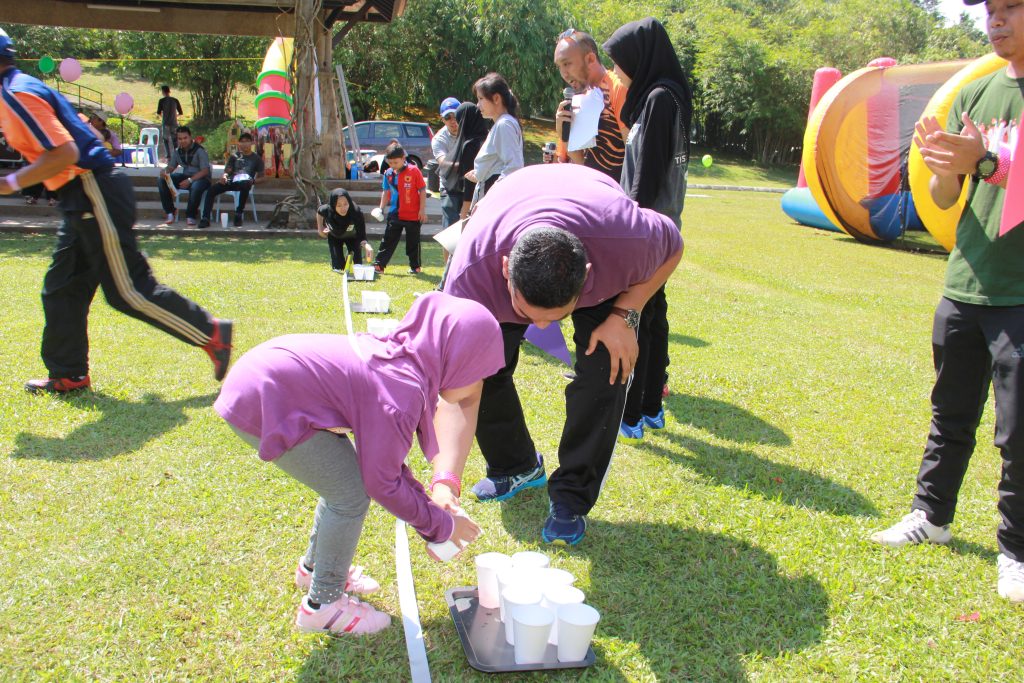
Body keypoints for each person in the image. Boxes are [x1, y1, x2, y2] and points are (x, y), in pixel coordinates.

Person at [214, 291, 504, 635]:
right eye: (479, 371)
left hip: (264, 381)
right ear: (456, 356)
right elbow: (381, 482)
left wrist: (432, 509)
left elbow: (389, 469)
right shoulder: (401, 392)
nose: (479, 384)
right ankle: (322, 606)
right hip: (263, 398)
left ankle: (314, 569)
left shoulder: (405, 364)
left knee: (344, 483)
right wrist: (440, 527)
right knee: (349, 494)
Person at [869, 0, 1024, 604]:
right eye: (991, 10)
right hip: (966, 280)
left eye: (1011, 7)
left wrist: (983, 161)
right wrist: (944, 164)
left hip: (1019, 293)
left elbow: (997, 169)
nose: (997, 20)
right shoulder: (977, 93)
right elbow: (943, 192)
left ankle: (1016, 551)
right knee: (950, 413)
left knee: (1018, 431)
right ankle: (931, 516)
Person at [440, 164, 683, 545]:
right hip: (509, 210)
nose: (539, 329)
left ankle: (571, 498)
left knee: (606, 368)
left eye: (555, 317)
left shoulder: (626, 239)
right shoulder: (471, 276)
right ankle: (515, 466)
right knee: (482, 367)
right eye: (526, 313)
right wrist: (446, 481)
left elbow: (674, 246)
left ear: (586, 275)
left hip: (593, 223)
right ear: (505, 270)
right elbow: (458, 392)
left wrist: (626, 313)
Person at [0, 28, 233, 394]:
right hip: (80, 194)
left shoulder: (17, 94)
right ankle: (69, 372)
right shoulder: (17, 89)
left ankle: (212, 333)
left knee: (128, 291)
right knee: (62, 288)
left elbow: (66, 152)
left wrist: (10, 182)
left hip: (92, 187)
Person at [603, 17, 692, 444]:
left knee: (637, 317)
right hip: (662, 226)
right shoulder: (666, 95)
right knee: (654, 316)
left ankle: (632, 412)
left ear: (639, 58)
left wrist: (631, 228)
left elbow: (649, 174)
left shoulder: (659, 98)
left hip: (649, 229)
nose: (616, 71)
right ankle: (652, 407)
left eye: (618, 61)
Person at [552, 29, 628, 180]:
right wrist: (564, 135)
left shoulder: (617, 87)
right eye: (559, 66)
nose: (563, 74)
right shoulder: (577, 97)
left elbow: (634, 153)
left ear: (590, 59)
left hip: (616, 191)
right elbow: (581, 163)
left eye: (567, 63)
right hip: (590, 187)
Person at [463, 73, 524, 206]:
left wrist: (490, 198)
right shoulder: (503, 123)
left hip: (494, 201)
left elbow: (514, 167)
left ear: (496, 98)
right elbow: (496, 163)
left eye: (481, 99)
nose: (478, 105)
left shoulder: (504, 124)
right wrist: (480, 173)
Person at [372, 142, 427, 274]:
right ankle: (379, 265)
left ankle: (415, 266)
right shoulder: (388, 174)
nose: (393, 165)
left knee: (413, 242)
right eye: (390, 162)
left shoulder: (414, 171)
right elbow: (386, 192)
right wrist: (381, 208)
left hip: (413, 214)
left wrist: (422, 210)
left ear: (403, 158)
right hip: (395, 213)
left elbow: (422, 190)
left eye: (396, 162)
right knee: (388, 239)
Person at [199, 132, 263, 228]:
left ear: (252, 143)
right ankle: (205, 218)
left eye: (247, 141)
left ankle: (239, 213)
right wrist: (224, 177)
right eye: (242, 142)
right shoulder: (234, 156)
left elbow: (263, 177)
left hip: (246, 182)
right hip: (232, 181)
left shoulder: (256, 159)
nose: (245, 144)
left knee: (246, 185)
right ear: (239, 143)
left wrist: (253, 181)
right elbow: (227, 171)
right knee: (211, 190)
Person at [443, 102, 488, 222]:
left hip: (478, 198)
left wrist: (464, 211)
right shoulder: (489, 138)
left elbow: (470, 181)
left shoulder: (471, 145)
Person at [158, 126, 210, 226]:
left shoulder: (199, 150)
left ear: (190, 137)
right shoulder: (178, 151)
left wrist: (190, 180)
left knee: (196, 186)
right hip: (186, 176)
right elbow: (171, 167)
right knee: (162, 180)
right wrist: (164, 171)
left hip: (201, 179)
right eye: (180, 139)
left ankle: (191, 215)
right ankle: (170, 211)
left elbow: (205, 171)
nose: (182, 141)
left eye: (185, 138)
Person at [317, 187, 373, 272]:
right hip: (335, 236)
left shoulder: (356, 212)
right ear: (333, 205)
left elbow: (361, 233)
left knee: (357, 265)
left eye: (346, 204)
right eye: (339, 205)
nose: (343, 208)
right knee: (338, 268)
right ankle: (338, 261)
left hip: (352, 236)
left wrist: (367, 246)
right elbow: (319, 212)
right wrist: (320, 229)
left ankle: (350, 253)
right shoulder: (327, 209)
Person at [432, 96, 461, 230]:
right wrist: (466, 165)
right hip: (449, 186)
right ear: (442, 119)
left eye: (455, 115)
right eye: (448, 117)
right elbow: (444, 164)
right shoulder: (438, 139)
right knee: (450, 229)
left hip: (470, 184)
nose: (452, 120)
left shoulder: (472, 132)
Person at [156, 85, 182, 162]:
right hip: (174, 123)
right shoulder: (175, 100)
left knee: (165, 140)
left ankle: (168, 157)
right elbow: (180, 112)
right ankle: (177, 156)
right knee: (175, 141)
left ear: (163, 92)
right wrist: (175, 116)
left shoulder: (162, 101)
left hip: (166, 123)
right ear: (169, 91)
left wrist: (163, 117)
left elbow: (158, 112)